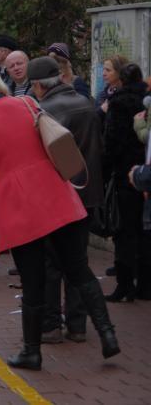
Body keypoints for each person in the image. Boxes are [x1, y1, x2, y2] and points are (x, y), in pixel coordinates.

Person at [0, 63, 120, 371]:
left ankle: (31, 351)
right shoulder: (27, 102)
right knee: (78, 269)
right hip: (57, 194)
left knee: (33, 281)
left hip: (19, 207)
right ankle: (107, 334)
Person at [28, 56, 104, 343]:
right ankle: (78, 324)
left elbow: (44, 158)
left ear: (37, 84)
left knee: (51, 264)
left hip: (58, 197)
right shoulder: (86, 103)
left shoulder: (44, 110)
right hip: (87, 194)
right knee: (78, 262)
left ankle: (50, 325)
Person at [103, 63, 151, 302]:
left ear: (120, 79)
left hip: (125, 173)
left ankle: (124, 285)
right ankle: (145, 284)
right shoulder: (146, 101)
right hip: (146, 171)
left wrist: (106, 170)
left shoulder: (118, 103)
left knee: (124, 231)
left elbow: (111, 141)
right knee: (145, 230)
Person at [96, 54, 129, 278]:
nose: (104, 74)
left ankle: (125, 264)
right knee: (114, 213)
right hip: (107, 162)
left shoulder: (124, 97)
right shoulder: (104, 94)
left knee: (123, 217)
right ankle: (120, 260)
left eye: (108, 70)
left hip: (121, 163)